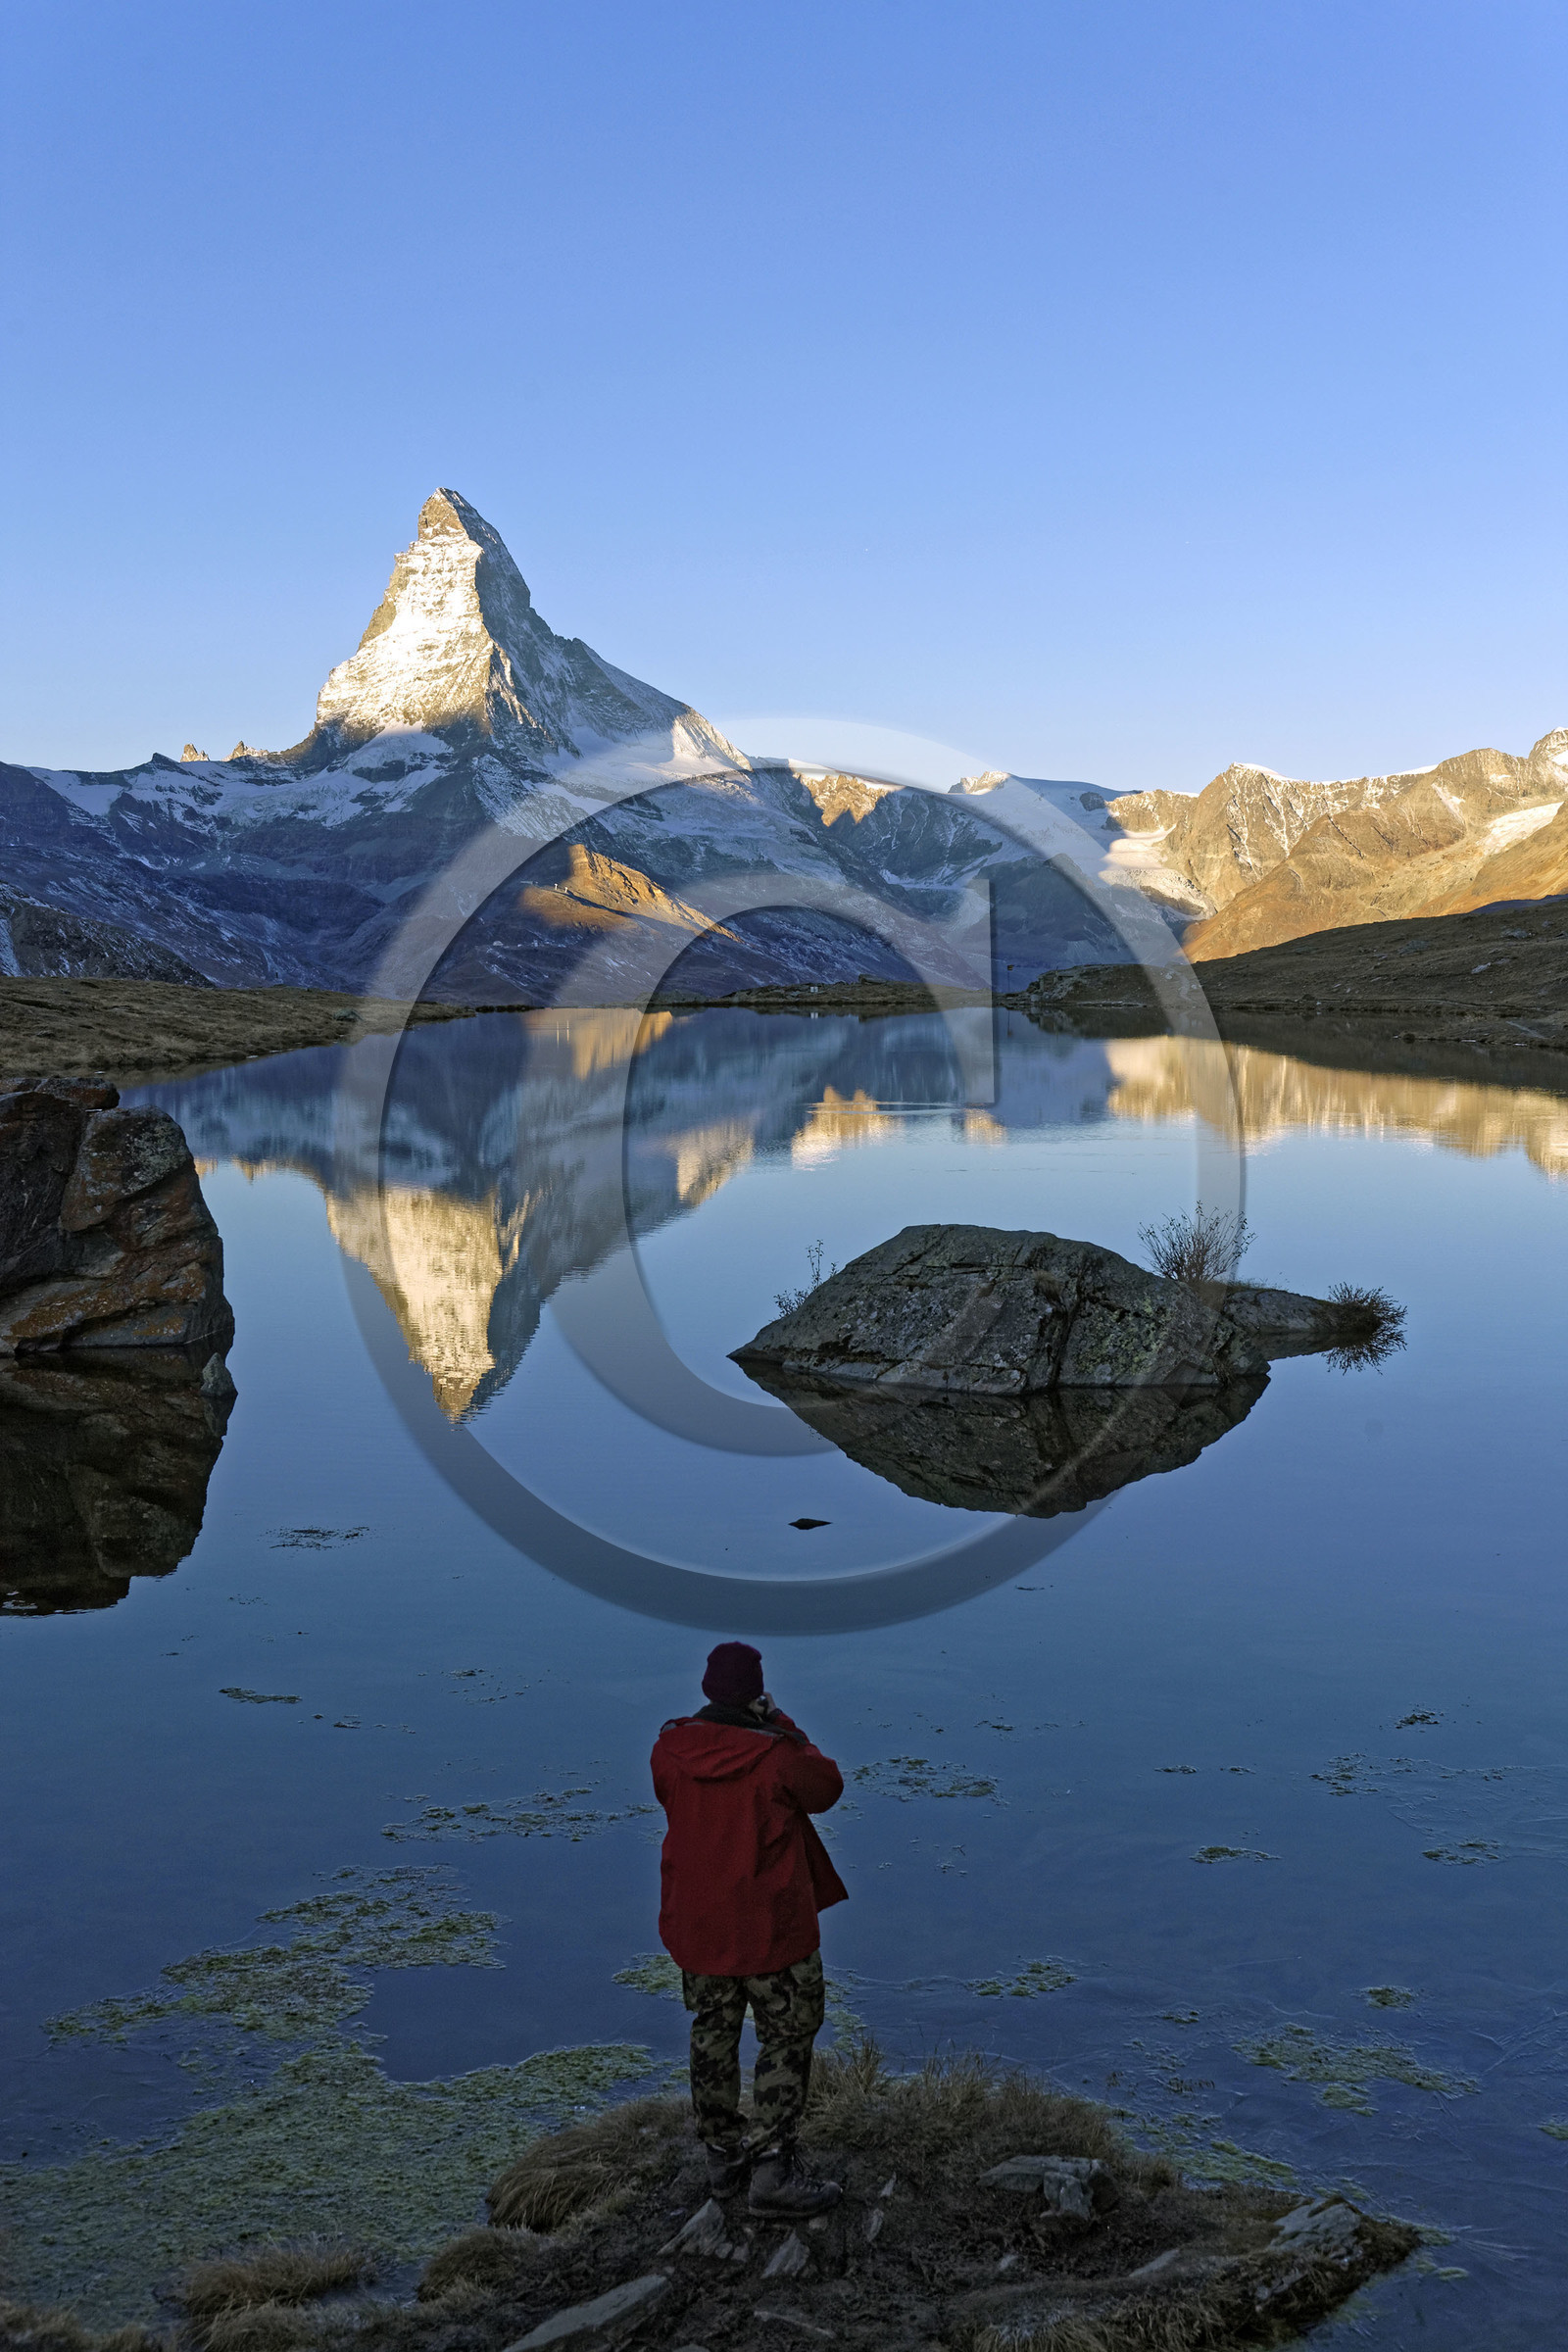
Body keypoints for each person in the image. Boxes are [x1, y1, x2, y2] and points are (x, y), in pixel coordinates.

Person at [651, 1640, 847, 2215]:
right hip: (771, 1930)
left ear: (709, 1689)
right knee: (785, 2037)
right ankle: (772, 2171)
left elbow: (671, 1795)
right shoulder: (778, 1752)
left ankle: (722, 2160)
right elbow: (827, 1789)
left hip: (701, 1927)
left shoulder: (669, 1750)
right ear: (757, 1693)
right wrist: (782, 1722)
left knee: (712, 2034)